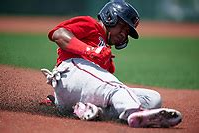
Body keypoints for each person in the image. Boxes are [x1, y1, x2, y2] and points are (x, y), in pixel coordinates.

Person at [41, 1, 182, 128]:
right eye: (123, 26)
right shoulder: (92, 25)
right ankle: (134, 113)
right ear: (110, 17)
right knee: (116, 89)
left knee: (153, 99)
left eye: (127, 32)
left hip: (73, 100)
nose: (123, 34)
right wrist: (90, 50)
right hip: (68, 72)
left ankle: (91, 111)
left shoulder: (107, 56)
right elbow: (58, 34)